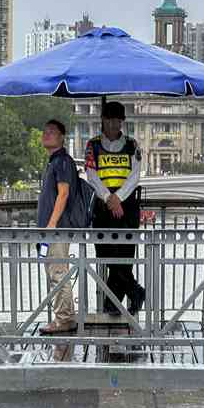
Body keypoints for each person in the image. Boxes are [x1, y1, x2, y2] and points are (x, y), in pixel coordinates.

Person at [85, 101, 145, 315]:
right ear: (102, 120)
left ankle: (113, 305)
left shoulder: (132, 145)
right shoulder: (92, 145)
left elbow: (135, 176)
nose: (112, 124)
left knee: (125, 256)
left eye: (117, 120)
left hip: (127, 207)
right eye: (109, 119)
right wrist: (108, 198)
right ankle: (135, 291)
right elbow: (91, 175)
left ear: (122, 122)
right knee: (106, 254)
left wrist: (118, 198)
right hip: (103, 207)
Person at [37, 119, 78, 337]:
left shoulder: (62, 161)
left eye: (51, 132)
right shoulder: (53, 161)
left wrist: (51, 225)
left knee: (58, 273)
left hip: (57, 229)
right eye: (45, 131)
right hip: (52, 228)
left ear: (62, 137)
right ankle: (65, 317)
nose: (46, 134)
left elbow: (64, 194)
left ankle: (63, 319)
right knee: (55, 272)